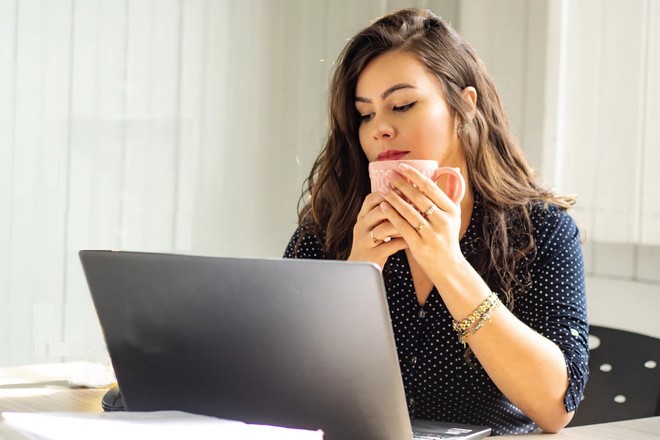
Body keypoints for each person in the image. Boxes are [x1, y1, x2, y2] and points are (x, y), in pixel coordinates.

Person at [283, 8, 588, 435]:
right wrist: (353, 277)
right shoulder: (330, 226)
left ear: (464, 106)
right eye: (365, 114)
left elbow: (556, 406)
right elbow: (284, 389)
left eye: (403, 105)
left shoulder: (541, 231)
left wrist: (448, 264)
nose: (379, 129)